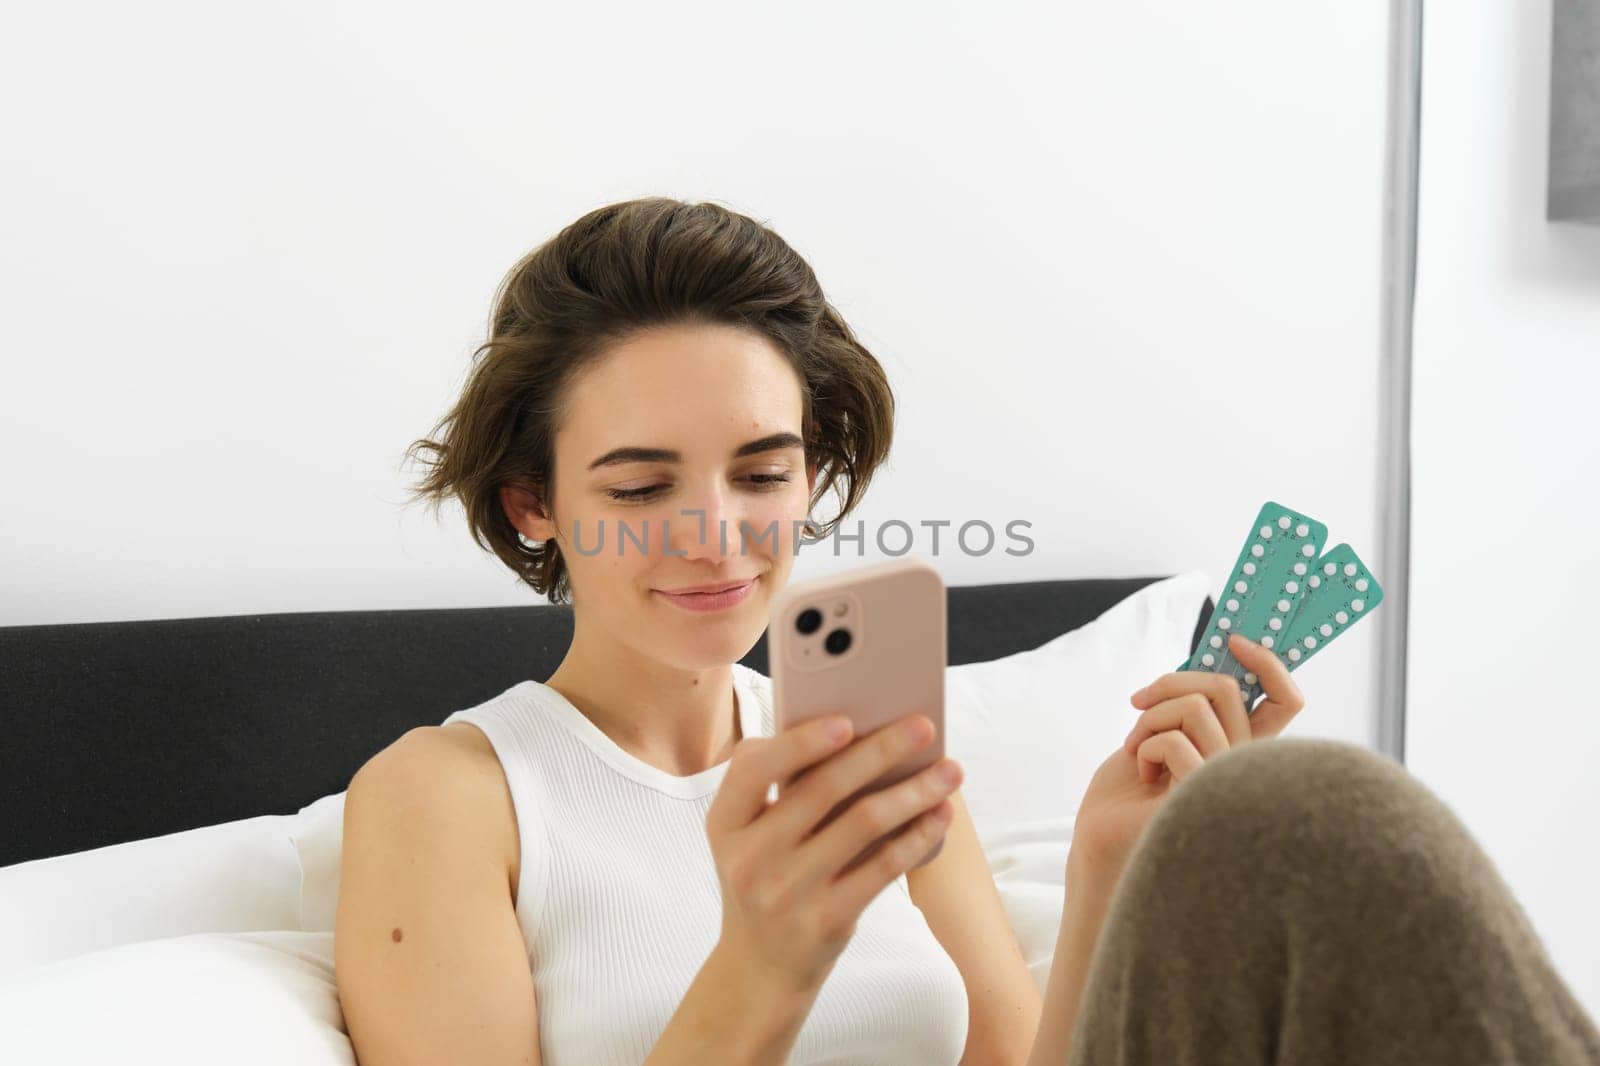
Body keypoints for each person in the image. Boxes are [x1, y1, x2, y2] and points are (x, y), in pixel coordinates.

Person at [331, 196, 1600, 1066]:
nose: (715, 532)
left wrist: (1110, 856)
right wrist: (766, 959)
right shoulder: (449, 798)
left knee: (1290, 820)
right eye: (642, 485)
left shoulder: (869, 749)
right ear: (533, 503)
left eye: (763, 474)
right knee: (1313, 815)